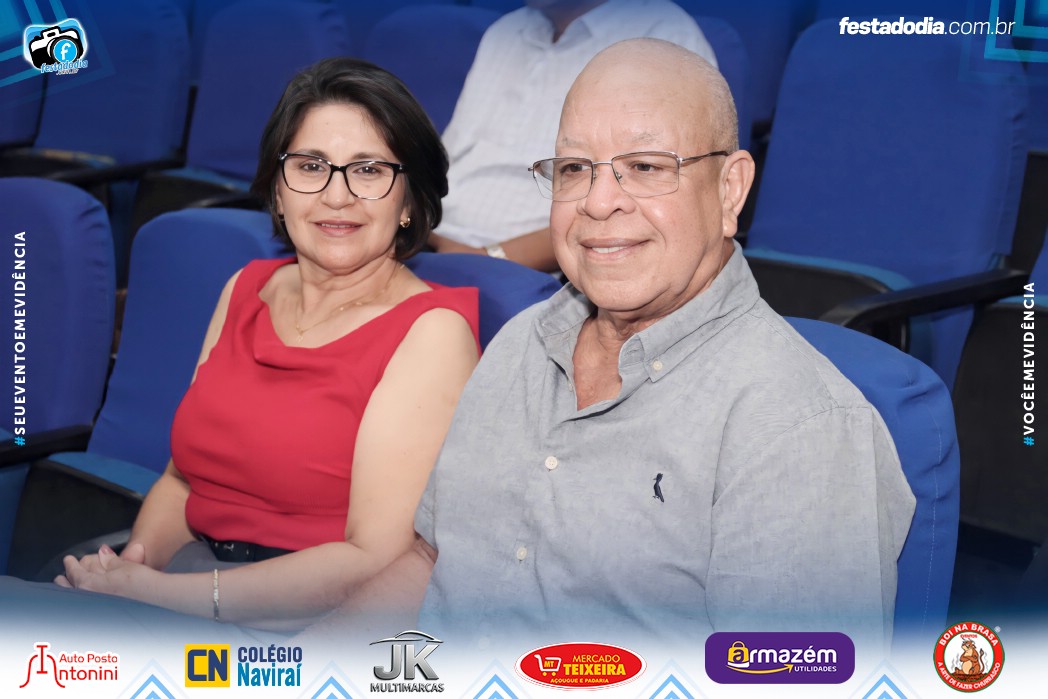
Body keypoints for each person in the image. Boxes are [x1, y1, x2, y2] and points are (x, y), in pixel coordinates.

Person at [318, 39, 916, 651]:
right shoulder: (520, 343)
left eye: (647, 167)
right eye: (575, 169)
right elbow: (432, 562)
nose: (599, 202)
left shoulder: (800, 429)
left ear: (729, 190)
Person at [54, 57, 480, 632]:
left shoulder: (432, 332)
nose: (337, 195)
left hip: (307, 619)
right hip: (184, 575)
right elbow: (182, 481)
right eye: (310, 166)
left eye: (369, 170)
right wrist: (130, 570)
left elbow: (373, 559)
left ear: (408, 202)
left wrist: (160, 595)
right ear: (277, 191)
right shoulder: (246, 288)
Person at [428, 0, 716, 272]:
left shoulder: (661, 34)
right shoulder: (506, 32)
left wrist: (487, 259)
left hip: (535, 271)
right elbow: (449, 159)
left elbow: (650, 205)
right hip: (433, 241)